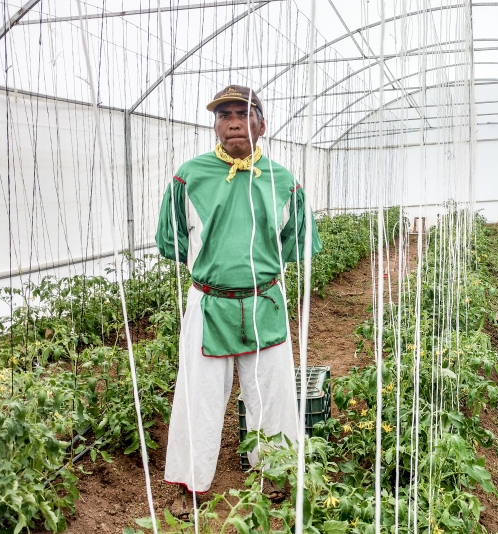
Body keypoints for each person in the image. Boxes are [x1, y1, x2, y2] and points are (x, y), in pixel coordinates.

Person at [155, 85, 321, 515]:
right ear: (215, 124)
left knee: (272, 393)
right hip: (209, 302)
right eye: (224, 114)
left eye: (244, 113)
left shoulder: (284, 182)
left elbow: (295, 242)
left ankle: (276, 473)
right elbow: (170, 239)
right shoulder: (189, 176)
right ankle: (191, 485)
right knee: (200, 396)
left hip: (265, 300)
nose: (233, 121)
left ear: (262, 125)